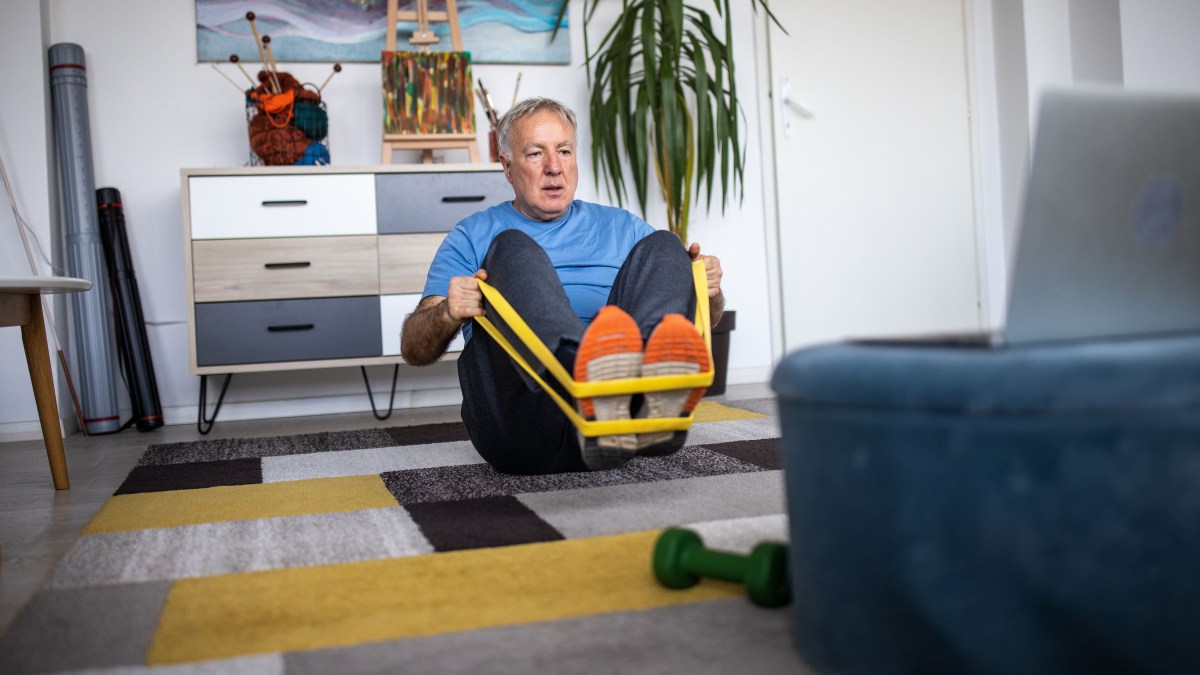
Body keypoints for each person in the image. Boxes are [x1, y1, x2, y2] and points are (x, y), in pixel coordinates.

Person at [401, 97, 725, 475]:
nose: (554, 168)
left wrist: (708, 290)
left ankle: (650, 397)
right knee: (511, 248)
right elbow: (414, 349)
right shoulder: (472, 234)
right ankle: (581, 373)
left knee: (667, 246)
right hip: (523, 423)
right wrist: (448, 311)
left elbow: (706, 315)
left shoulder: (623, 227)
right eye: (536, 154)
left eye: (564, 151)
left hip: (616, 424)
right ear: (507, 166)